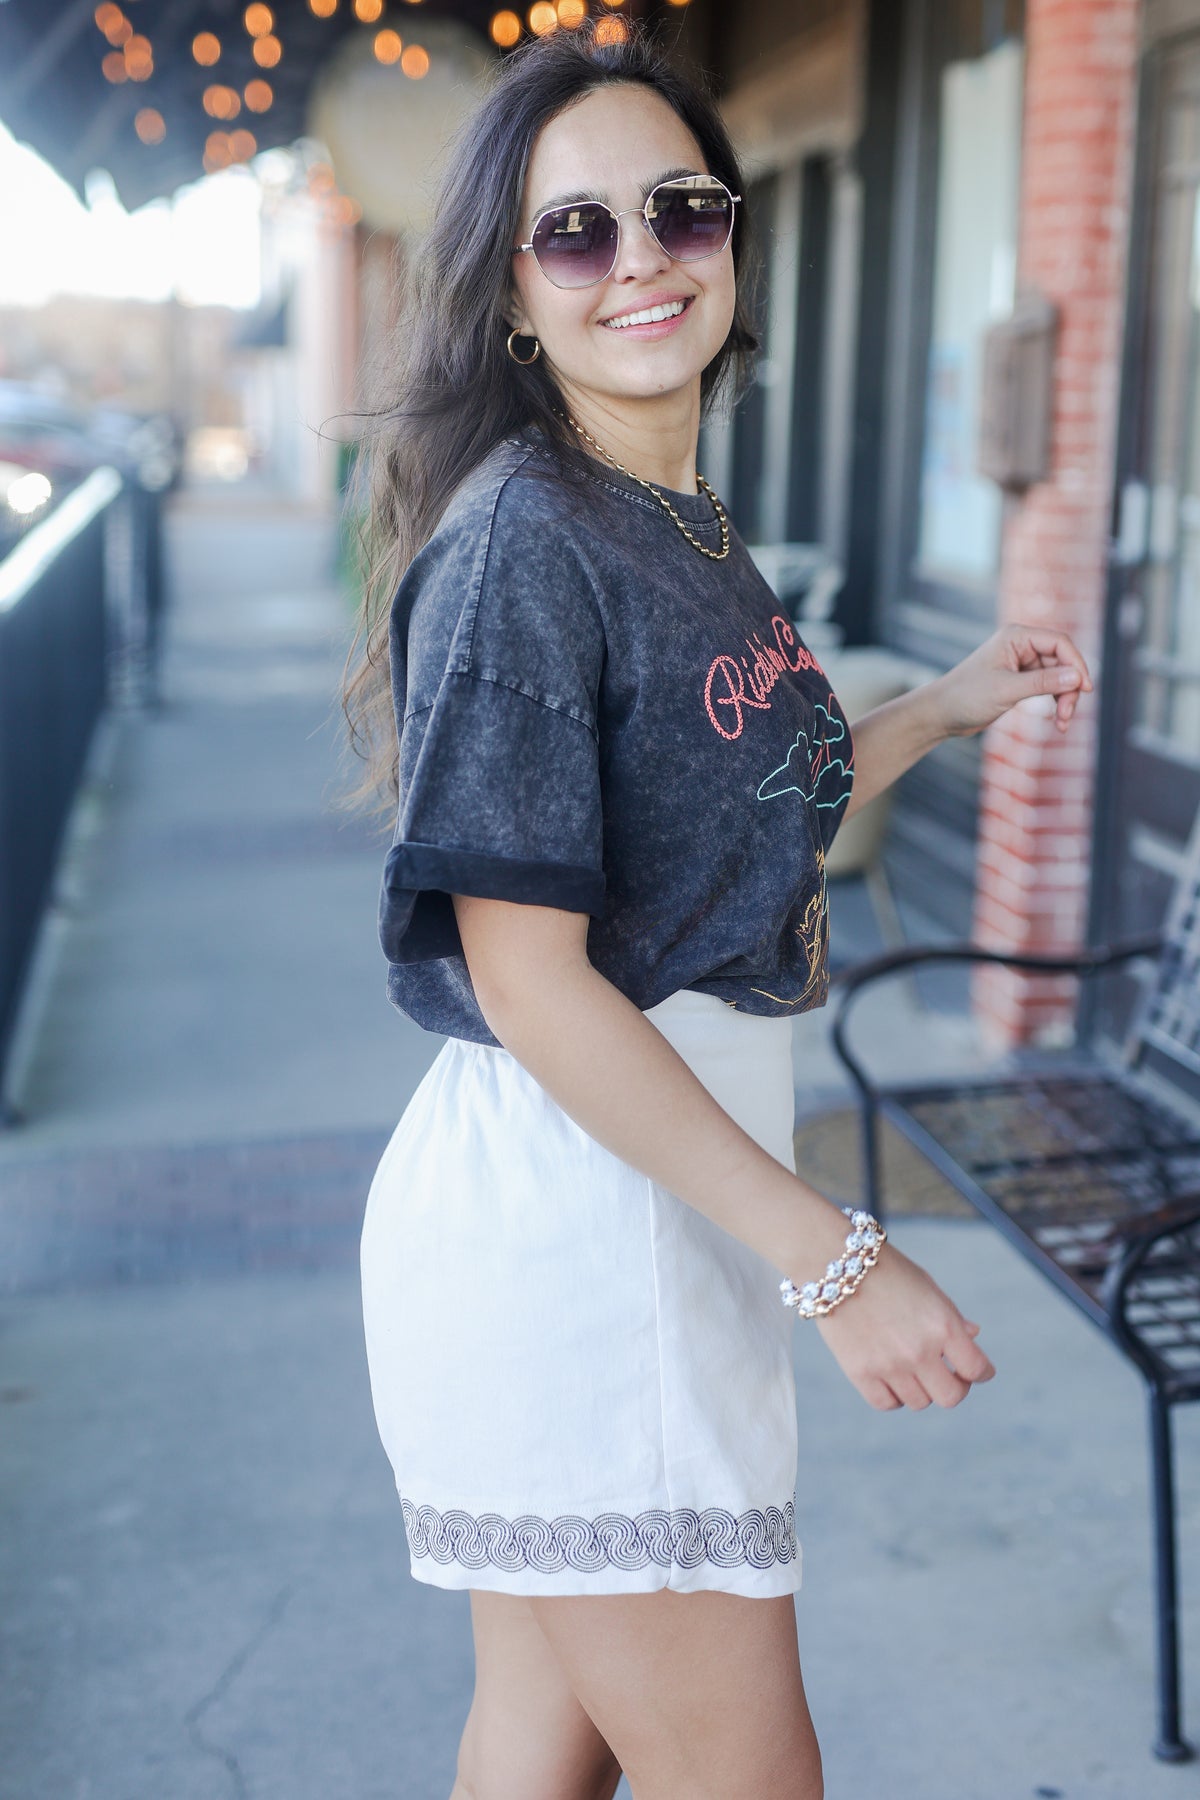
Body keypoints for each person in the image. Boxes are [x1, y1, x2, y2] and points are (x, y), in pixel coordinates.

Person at [342, 24, 1092, 1800]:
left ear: (734, 235)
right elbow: (529, 981)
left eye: (680, 207)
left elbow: (738, 812)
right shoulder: (532, 540)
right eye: (576, 231)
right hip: (588, 1242)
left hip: (638, 1201)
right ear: (515, 297)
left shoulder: (666, 511)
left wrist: (942, 707)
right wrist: (836, 1260)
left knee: (542, 1756)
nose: (643, 259)